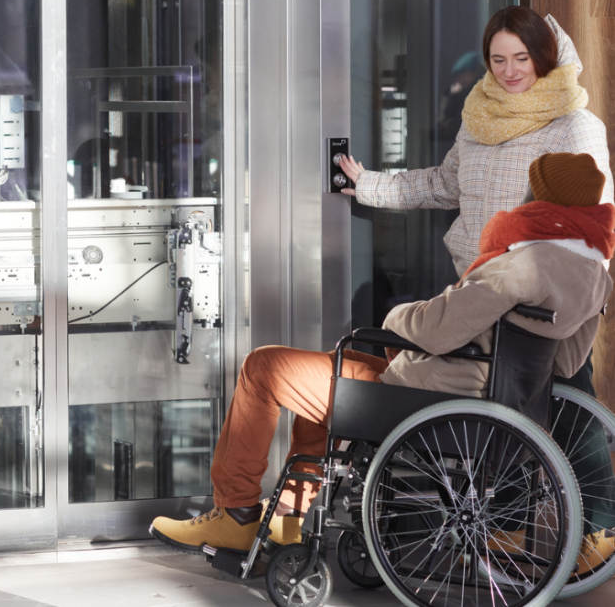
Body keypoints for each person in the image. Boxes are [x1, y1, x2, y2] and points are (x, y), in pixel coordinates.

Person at [150, 152, 615, 579]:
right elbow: (569, 361)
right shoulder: (592, 272)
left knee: (263, 368)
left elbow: (436, 330)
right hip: (480, 399)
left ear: (540, 197)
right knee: (328, 375)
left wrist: (396, 314)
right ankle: (288, 521)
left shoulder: (524, 261)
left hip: (432, 397)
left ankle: (234, 514)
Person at [339, 5, 615, 566]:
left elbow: (590, 212)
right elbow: (445, 185)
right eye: (499, 59)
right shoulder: (479, 118)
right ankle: (509, 524)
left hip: (538, 291)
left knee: (569, 404)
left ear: (546, 58)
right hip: (480, 285)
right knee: (501, 411)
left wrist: (575, 291)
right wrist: (369, 185)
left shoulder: (575, 124)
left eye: (522, 58)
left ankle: (601, 529)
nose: (511, 71)